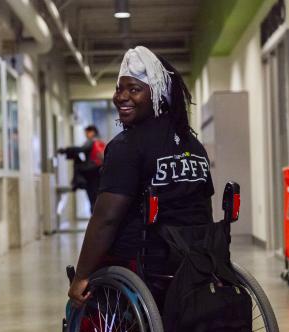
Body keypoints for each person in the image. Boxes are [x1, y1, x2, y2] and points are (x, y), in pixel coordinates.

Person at [68, 46, 214, 307]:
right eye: (119, 88)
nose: (121, 97)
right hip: (195, 260)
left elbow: (106, 219)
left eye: (134, 89)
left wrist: (81, 277)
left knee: (83, 297)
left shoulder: (127, 146)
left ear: (157, 94)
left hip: (146, 262)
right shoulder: (193, 145)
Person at [58, 125, 105, 212]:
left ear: (92, 132)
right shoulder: (100, 141)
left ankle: (77, 183)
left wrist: (66, 150)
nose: (86, 135)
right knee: (96, 197)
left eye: (87, 132)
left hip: (91, 172)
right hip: (99, 172)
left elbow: (81, 149)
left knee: (92, 197)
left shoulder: (92, 141)